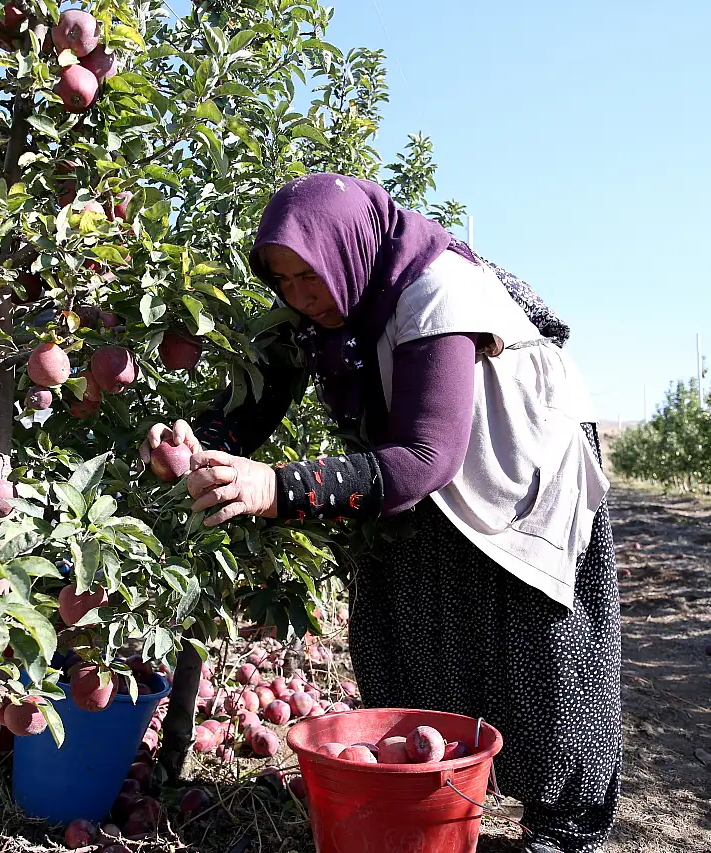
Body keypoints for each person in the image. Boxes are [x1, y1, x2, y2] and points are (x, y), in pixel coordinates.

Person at [143, 174, 621, 853]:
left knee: (535, 639)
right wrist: (196, 443)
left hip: (515, 461)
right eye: (282, 280)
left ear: (349, 249)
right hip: (413, 465)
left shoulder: (438, 289)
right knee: (405, 617)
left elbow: (427, 458)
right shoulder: (316, 308)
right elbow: (250, 406)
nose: (300, 296)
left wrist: (277, 487)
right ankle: (434, 793)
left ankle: (563, 826)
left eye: (310, 277)